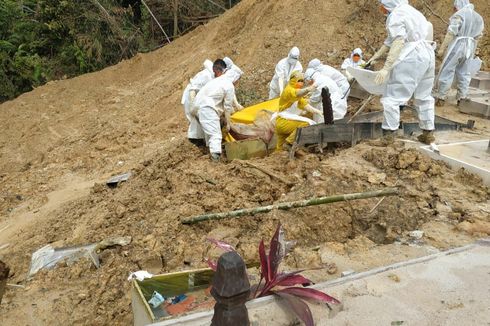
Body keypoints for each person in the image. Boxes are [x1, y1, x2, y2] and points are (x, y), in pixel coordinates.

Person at [370, 0, 436, 145]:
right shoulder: (412, 11)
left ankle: (388, 137)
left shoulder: (395, 15)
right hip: (428, 54)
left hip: (412, 56)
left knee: (393, 96)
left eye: (382, 5)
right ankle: (428, 133)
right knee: (424, 96)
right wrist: (375, 57)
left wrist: (386, 68)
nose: (382, 9)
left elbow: (398, 41)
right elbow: (389, 41)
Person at [435, 0, 484, 106]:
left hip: (457, 46)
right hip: (470, 47)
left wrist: (442, 49)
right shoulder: (478, 17)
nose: (454, 9)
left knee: (447, 69)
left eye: (455, 7)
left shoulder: (460, 15)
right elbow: (479, 36)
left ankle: (441, 97)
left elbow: (451, 33)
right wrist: (473, 50)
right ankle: (462, 98)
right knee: (464, 72)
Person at [192, 65, 243, 161]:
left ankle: (209, 153)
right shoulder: (228, 85)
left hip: (196, 106)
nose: (238, 82)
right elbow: (228, 107)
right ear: (235, 77)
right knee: (216, 134)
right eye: (238, 80)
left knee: (209, 133)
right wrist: (228, 123)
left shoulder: (218, 80)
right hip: (207, 107)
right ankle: (215, 160)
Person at [182, 59, 227, 146]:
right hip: (191, 97)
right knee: (198, 121)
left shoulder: (214, 77)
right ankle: (195, 141)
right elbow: (193, 90)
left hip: (200, 99)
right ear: (217, 70)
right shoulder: (206, 75)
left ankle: (201, 141)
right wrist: (193, 104)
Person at [275, 71, 322, 151]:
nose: (301, 83)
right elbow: (296, 94)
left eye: (302, 81)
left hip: (282, 122)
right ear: (293, 80)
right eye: (299, 81)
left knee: (280, 148)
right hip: (284, 120)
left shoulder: (297, 95)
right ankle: (289, 144)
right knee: (306, 124)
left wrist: (317, 111)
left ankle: (275, 159)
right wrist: (308, 89)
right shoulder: (288, 90)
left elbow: (305, 105)